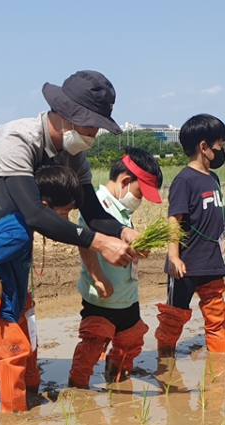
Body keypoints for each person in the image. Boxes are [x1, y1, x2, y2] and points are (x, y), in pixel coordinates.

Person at [0, 71, 140, 397]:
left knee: (16, 308)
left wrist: (122, 232)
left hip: (5, 232)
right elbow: (36, 213)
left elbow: (91, 211)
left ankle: (20, 384)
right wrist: (98, 242)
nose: (94, 135)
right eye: (90, 126)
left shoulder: (74, 155)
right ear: (67, 117)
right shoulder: (18, 141)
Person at [0, 166, 83, 413]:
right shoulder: (20, 233)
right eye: (64, 213)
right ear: (44, 207)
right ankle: (14, 415)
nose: (65, 221)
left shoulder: (20, 222)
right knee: (15, 353)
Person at [156, 115, 225, 357]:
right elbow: (175, 220)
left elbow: (216, 213)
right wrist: (174, 256)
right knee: (175, 316)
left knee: (216, 317)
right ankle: (165, 358)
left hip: (213, 262)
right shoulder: (184, 180)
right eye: (220, 145)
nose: (222, 151)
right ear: (204, 147)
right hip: (187, 265)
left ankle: (218, 366)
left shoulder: (212, 179)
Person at [68, 148, 163, 387]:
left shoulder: (122, 209)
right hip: (103, 294)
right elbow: (86, 243)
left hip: (127, 294)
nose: (140, 201)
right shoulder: (97, 205)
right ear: (125, 181)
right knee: (94, 341)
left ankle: (117, 376)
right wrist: (98, 277)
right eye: (140, 193)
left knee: (131, 339)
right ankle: (78, 387)